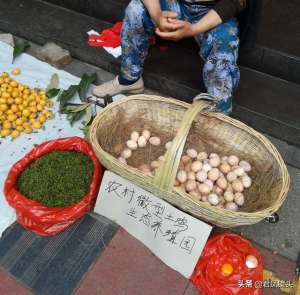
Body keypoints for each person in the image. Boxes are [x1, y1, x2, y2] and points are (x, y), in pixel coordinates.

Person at [93, 0, 247, 115]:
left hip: (213, 11)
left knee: (225, 41)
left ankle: (218, 111)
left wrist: (193, 29)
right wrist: (157, 15)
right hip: (173, 3)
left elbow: (235, 1)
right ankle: (130, 80)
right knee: (135, 10)